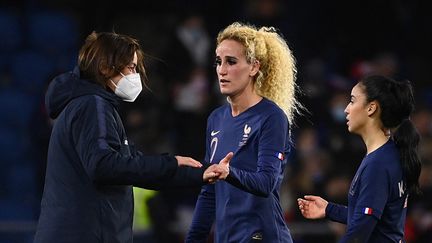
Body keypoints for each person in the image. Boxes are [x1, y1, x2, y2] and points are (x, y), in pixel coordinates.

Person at [33, 31, 232, 243]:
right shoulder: (92, 105)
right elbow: (103, 166)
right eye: (131, 67)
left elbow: (133, 167)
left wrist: (197, 173)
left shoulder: (88, 105)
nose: (135, 76)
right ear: (104, 67)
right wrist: (171, 163)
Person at [186, 22, 303, 243]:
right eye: (219, 62)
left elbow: (266, 182)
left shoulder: (271, 117)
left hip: (262, 236)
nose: (222, 70)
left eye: (231, 62)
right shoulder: (216, 119)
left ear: (254, 67)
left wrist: (230, 173)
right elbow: (209, 192)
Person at [297, 75, 422, 242]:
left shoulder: (378, 164)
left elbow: (358, 234)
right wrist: (328, 209)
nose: (346, 109)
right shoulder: (390, 153)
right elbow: (375, 217)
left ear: (371, 108)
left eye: (352, 101)